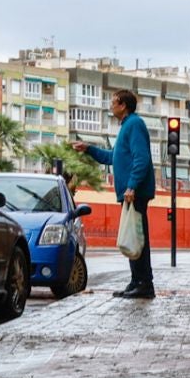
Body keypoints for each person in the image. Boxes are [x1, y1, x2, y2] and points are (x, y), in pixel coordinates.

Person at [72, 89, 158, 298]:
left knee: (137, 237)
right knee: (132, 236)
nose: (110, 106)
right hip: (130, 194)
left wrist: (132, 186)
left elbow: (142, 158)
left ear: (123, 105)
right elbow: (113, 157)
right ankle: (136, 281)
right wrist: (89, 148)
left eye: (113, 102)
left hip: (134, 193)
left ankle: (145, 284)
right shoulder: (126, 127)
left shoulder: (134, 124)